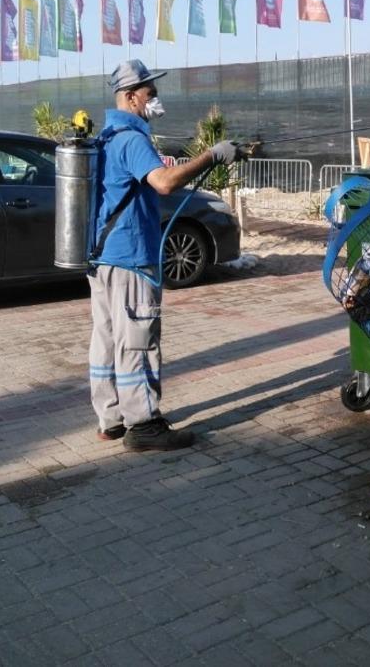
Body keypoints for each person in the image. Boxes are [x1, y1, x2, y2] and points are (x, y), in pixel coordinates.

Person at [88, 59, 242, 451]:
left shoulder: (107, 135)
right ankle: (143, 425)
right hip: (130, 256)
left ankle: (112, 419)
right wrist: (212, 156)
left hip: (104, 256)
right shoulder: (131, 139)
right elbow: (164, 182)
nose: (156, 98)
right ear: (130, 96)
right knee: (138, 337)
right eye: (150, 92)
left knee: (107, 339)